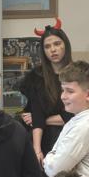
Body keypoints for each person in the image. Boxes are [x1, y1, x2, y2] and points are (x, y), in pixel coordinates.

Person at [19, 20, 73, 162]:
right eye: (47, 46)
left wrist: (41, 120)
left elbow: (73, 116)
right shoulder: (37, 77)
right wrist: (37, 150)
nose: (53, 50)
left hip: (69, 137)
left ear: (65, 45)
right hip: (40, 136)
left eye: (57, 44)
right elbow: (36, 112)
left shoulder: (78, 74)